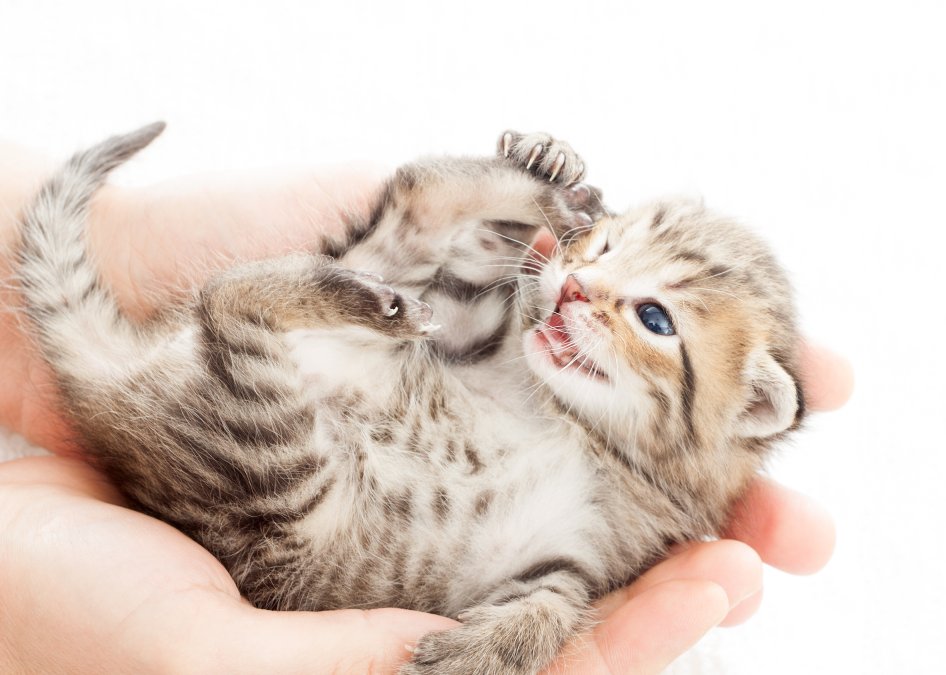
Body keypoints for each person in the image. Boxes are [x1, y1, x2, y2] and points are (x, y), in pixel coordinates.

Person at [0, 142, 853, 673]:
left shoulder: (636, 505)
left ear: (743, 413)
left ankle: (257, 315)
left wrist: (530, 628)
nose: (581, 285)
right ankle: (356, 254)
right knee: (417, 314)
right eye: (606, 246)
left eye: (653, 319)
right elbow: (465, 317)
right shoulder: (541, 354)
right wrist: (514, 209)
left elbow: (555, 578)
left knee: (313, 500)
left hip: (297, 482)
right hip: (316, 398)